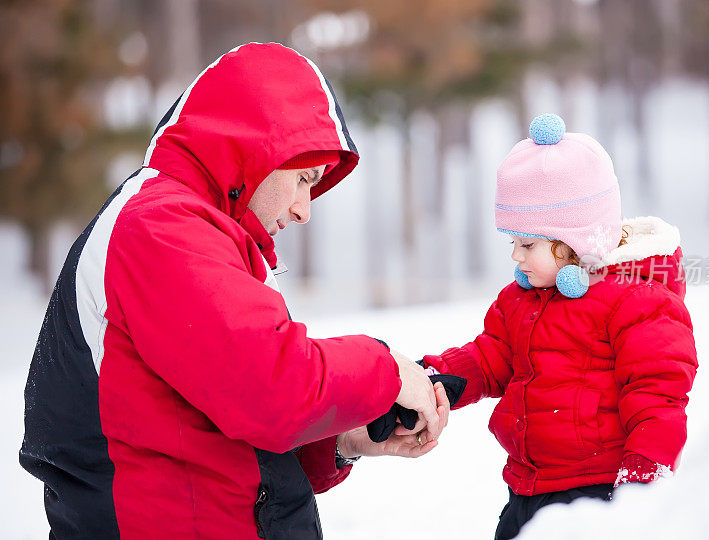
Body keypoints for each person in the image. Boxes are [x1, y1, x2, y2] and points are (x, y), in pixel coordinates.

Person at [19, 42, 449, 539]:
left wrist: (339, 442)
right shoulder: (161, 229)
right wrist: (385, 368)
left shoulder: (191, 229)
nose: (304, 209)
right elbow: (268, 385)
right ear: (257, 148)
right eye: (304, 178)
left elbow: (211, 427)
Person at [419, 114, 698, 539]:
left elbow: (657, 396)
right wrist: (434, 381)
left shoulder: (636, 301)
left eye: (527, 244)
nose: (515, 255)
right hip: (526, 489)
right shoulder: (521, 300)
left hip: (598, 495)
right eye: (512, 242)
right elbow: (492, 356)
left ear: (573, 242)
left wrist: (642, 480)